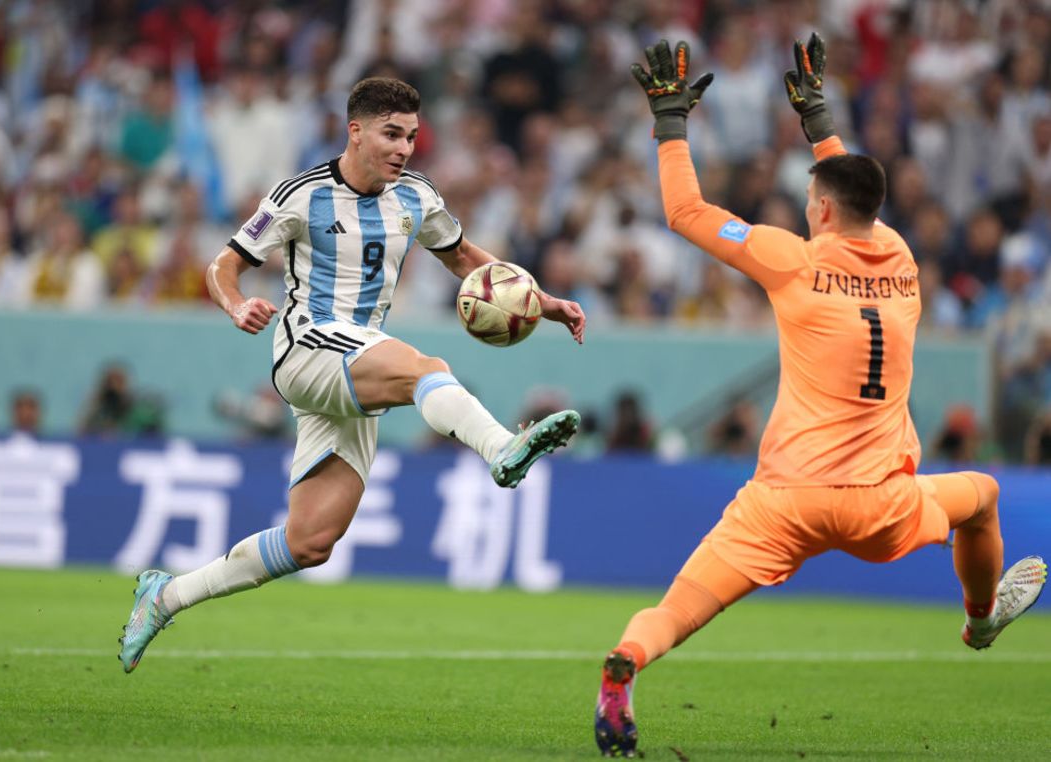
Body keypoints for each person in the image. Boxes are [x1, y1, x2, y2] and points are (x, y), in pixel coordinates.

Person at [594, 36, 1047, 757]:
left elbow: (684, 212)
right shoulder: (902, 262)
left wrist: (670, 121)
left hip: (784, 501)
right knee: (983, 494)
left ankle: (628, 662)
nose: (807, 208)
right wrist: (820, 121)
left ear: (825, 212)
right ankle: (981, 619)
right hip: (880, 505)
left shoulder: (791, 262)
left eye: (811, 200)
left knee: (678, 610)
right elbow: (853, 186)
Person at [118, 77, 585, 673]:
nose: (404, 148)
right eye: (392, 134)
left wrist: (543, 302)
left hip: (357, 364)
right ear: (355, 131)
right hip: (307, 347)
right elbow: (224, 266)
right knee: (427, 368)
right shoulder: (300, 195)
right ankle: (502, 446)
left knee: (310, 541)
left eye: (412, 137)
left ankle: (166, 595)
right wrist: (237, 304)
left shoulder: (417, 196)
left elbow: (467, 261)